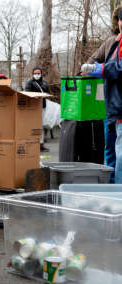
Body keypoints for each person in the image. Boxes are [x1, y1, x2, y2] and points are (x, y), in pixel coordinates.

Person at [81, 4, 122, 183]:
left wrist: (103, 69)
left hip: (119, 106)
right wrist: (85, 72)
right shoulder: (112, 42)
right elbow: (92, 60)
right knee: (111, 149)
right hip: (111, 106)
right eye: (121, 19)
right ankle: (111, 184)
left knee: (120, 153)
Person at [25, 67, 51, 152]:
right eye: (35, 73)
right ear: (32, 74)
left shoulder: (44, 83)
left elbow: (48, 93)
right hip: (32, 107)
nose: (37, 75)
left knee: (41, 125)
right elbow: (27, 93)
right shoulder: (30, 82)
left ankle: (41, 144)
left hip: (42, 106)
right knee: (32, 125)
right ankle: (32, 144)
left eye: (38, 73)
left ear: (41, 74)